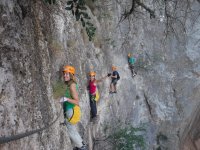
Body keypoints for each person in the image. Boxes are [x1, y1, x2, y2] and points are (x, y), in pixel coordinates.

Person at [60, 65, 87, 150]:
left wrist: (66, 99)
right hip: (71, 110)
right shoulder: (69, 84)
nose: (65, 75)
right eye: (64, 74)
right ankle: (81, 144)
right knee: (73, 129)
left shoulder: (71, 85)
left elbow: (77, 101)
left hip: (72, 110)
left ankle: (81, 147)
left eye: (67, 74)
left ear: (71, 75)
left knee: (70, 129)